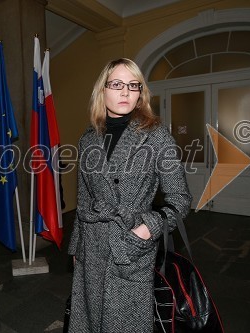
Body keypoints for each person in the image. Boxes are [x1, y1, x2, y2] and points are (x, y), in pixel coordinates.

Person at [67, 58, 192, 332]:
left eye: (133, 85)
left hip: (130, 247)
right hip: (91, 248)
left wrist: (146, 231)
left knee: (125, 323)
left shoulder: (156, 136)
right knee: (88, 320)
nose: (125, 92)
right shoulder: (88, 138)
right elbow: (84, 197)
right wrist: (76, 247)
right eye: (117, 84)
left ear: (140, 94)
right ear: (103, 90)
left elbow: (180, 200)